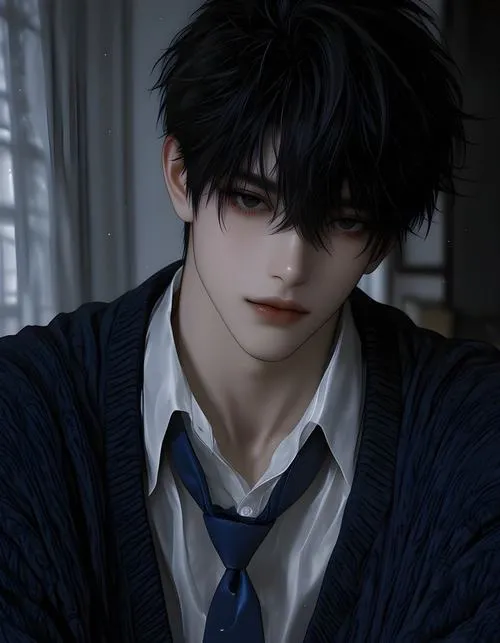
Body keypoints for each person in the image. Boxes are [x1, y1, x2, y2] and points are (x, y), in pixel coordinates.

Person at [1, 0, 500, 641]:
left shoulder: (474, 429)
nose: (290, 264)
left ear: (381, 240)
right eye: (250, 198)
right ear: (180, 177)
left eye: (344, 221)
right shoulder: (27, 411)